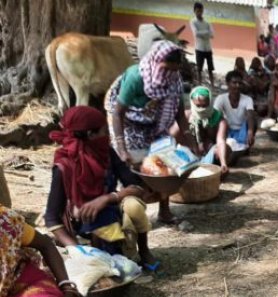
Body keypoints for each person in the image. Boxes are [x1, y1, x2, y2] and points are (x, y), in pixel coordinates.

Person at [45, 107, 157, 270]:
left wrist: (107, 198)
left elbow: (137, 187)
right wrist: (77, 250)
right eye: (105, 131)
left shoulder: (106, 152)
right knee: (109, 262)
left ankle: (144, 250)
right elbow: (51, 218)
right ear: (90, 134)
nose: (108, 137)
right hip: (85, 222)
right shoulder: (64, 166)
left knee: (133, 205)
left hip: (112, 209)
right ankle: (106, 249)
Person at [106, 41, 196, 225]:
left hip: (155, 121)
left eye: (173, 70)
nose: (167, 75)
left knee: (165, 162)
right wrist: (122, 148)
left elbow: (178, 112)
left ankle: (164, 210)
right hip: (127, 120)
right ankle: (130, 213)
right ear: (155, 61)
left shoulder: (174, 79)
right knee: (132, 164)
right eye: (165, 69)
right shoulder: (136, 77)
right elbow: (118, 113)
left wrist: (188, 137)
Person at [183, 87, 230, 175]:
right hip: (190, 154)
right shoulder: (186, 116)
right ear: (192, 103)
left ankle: (216, 168)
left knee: (226, 149)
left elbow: (221, 141)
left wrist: (223, 163)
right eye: (198, 106)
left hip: (210, 154)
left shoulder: (219, 119)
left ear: (210, 102)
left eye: (204, 106)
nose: (201, 109)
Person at [214, 71, 257, 151]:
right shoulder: (221, 98)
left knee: (254, 120)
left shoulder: (247, 99)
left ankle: (247, 143)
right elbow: (214, 115)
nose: (237, 86)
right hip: (228, 130)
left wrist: (250, 131)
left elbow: (250, 115)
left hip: (242, 130)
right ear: (228, 84)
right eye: (234, 83)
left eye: (240, 83)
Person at [190, 2, 215, 89]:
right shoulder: (192, 21)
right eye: (197, 11)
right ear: (194, 11)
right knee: (199, 69)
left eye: (200, 11)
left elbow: (212, 35)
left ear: (202, 11)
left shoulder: (207, 22)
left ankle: (212, 85)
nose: (199, 13)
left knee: (210, 69)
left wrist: (203, 34)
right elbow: (196, 33)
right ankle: (199, 85)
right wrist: (206, 32)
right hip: (199, 48)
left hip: (208, 48)